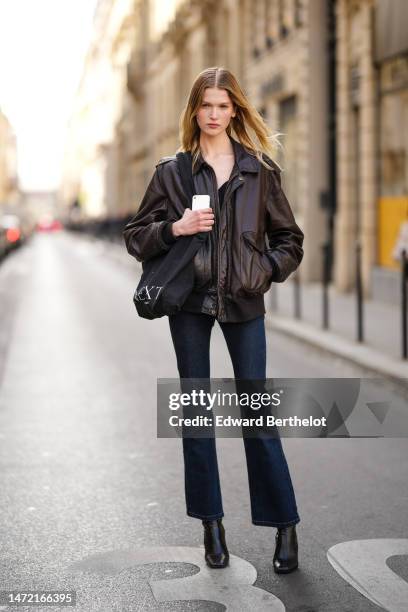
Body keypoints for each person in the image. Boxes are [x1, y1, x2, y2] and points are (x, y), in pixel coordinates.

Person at [123, 66, 304, 574]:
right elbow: (136, 235)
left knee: (257, 414)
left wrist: (262, 270)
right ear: (194, 110)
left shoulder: (259, 170)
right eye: (206, 105)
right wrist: (175, 227)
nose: (214, 114)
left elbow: (290, 239)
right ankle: (212, 525)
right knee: (198, 417)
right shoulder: (173, 172)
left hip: (243, 303)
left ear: (235, 110)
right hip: (187, 302)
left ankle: (285, 525)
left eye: (224, 106)